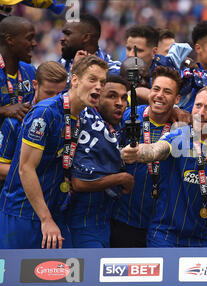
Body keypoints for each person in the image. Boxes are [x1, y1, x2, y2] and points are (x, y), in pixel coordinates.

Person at [0, 55, 108, 249]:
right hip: (23, 213)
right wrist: (46, 219)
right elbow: (26, 169)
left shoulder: (83, 116)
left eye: (102, 81)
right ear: (74, 80)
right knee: (13, 278)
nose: (99, 86)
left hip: (54, 213)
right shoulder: (45, 113)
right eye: (92, 79)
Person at [121, 85, 207, 247]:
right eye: (198, 105)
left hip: (201, 239)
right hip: (164, 235)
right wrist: (137, 152)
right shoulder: (179, 135)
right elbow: (156, 149)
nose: (200, 113)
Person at [110, 66, 182, 248]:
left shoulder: (181, 127)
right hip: (124, 220)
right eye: (156, 89)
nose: (159, 95)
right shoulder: (128, 116)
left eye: (167, 91)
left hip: (163, 227)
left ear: (177, 99)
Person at [66, 74, 133, 248]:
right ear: (96, 98)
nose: (120, 102)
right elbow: (79, 182)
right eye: (112, 96)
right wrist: (121, 179)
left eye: (124, 98)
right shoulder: (85, 123)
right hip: (80, 223)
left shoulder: (119, 127)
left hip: (105, 222)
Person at [0, 61, 67, 183]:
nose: (54, 99)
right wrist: (31, 172)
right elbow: (1, 168)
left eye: (59, 94)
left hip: (54, 197)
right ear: (35, 85)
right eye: (49, 93)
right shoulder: (15, 121)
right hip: (20, 197)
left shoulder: (66, 118)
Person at [0, 16, 37, 126]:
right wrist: (4, 110)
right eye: (29, 38)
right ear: (10, 40)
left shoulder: (30, 71)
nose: (35, 43)